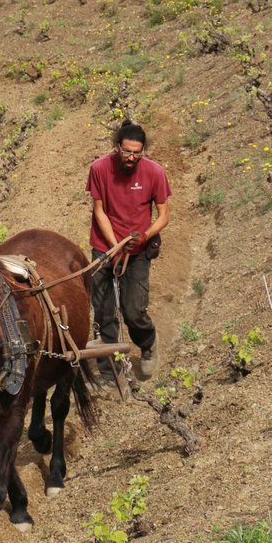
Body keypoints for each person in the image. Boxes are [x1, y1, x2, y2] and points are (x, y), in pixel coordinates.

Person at [86, 121, 171, 381]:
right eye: (127, 152)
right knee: (104, 312)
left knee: (133, 310)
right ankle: (108, 371)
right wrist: (114, 246)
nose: (132, 157)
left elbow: (164, 215)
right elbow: (99, 210)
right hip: (104, 248)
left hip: (138, 251)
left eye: (137, 152)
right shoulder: (99, 169)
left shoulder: (155, 172)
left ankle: (147, 345)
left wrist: (144, 236)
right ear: (117, 147)